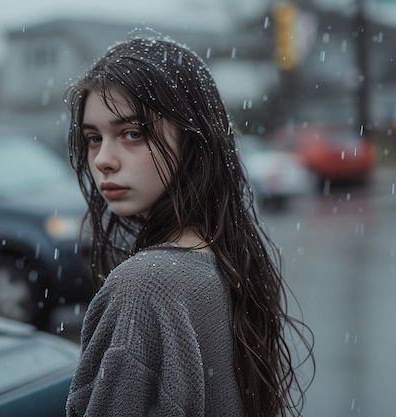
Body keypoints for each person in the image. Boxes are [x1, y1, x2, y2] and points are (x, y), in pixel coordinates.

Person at [64, 31, 314, 417]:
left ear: (192, 139)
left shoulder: (144, 286)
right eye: (94, 138)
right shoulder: (226, 259)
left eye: (132, 133)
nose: (102, 160)